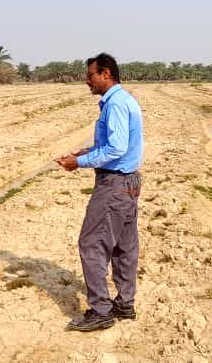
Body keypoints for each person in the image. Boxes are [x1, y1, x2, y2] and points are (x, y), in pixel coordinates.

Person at [56, 53, 144, 331]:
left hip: (114, 186)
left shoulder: (115, 104)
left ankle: (100, 310)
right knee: (124, 246)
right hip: (129, 182)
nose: (87, 81)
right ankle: (125, 303)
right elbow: (115, 145)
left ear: (106, 74)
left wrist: (79, 162)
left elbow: (117, 148)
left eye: (90, 75)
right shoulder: (124, 100)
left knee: (91, 243)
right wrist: (87, 151)